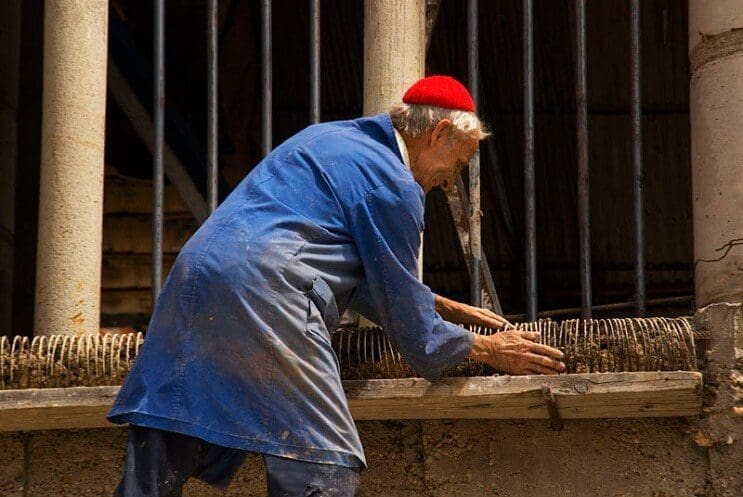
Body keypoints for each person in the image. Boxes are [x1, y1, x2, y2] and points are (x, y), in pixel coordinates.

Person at [108, 75, 565, 497]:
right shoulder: (394, 185)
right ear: (439, 133)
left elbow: (347, 265)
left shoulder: (326, 137)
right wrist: (487, 348)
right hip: (270, 291)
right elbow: (409, 323)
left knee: (167, 442)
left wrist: (444, 305)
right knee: (323, 460)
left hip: (195, 278)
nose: (451, 181)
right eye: (458, 163)